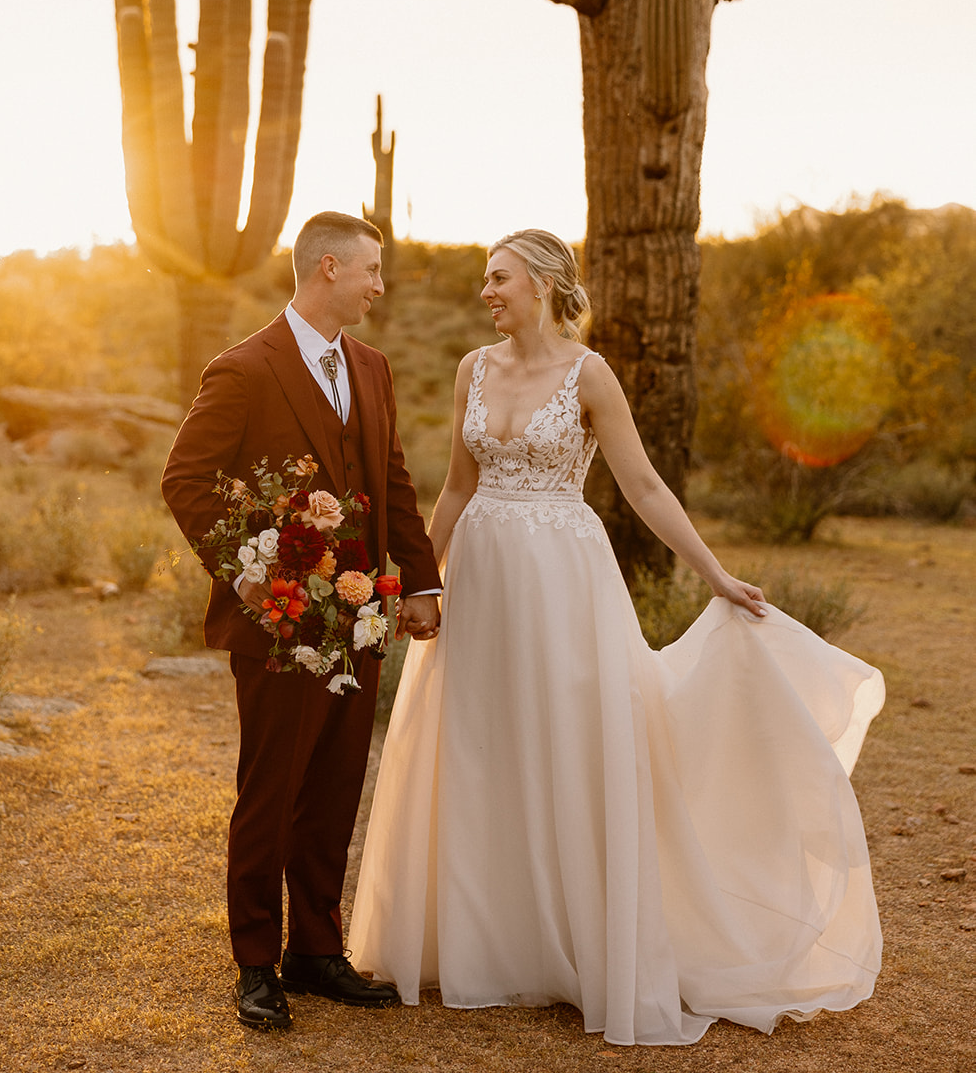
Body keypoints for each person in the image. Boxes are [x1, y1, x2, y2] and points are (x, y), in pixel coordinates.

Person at [348, 229, 883, 1047]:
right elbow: (456, 483)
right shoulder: (470, 369)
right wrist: (422, 580)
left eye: (498, 278)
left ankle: (576, 937)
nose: (485, 293)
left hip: (563, 580)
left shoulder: (589, 375)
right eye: (484, 281)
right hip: (483, 575)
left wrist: (714, 576)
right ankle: (483, 939)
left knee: (569, 741)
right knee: (477, 742)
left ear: (543, 283)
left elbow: (641, 484)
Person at [162, 212, 442, 1033]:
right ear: (327, 268)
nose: (379, 286)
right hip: (279, 625)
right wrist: (262, 572)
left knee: (331, 789)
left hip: (361, 622)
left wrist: (420, 584)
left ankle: (315, 950)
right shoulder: (244, 368)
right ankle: (256, 961)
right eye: (371, 271)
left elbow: (392, 482)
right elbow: (187, 481)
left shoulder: (373, 368)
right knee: (270, 790)